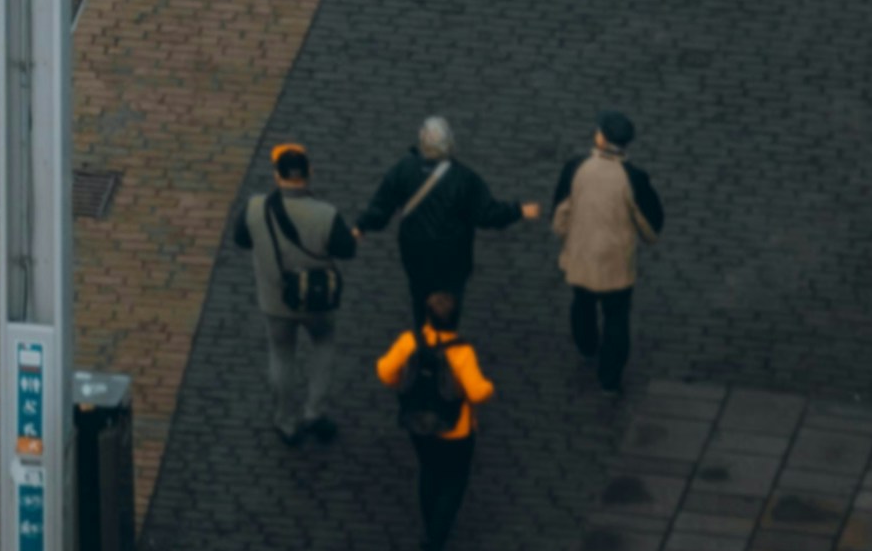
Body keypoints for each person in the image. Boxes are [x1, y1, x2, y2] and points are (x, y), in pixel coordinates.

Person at [230, 136, 358, 445]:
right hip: (318, 302)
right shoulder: (326, 213)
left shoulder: (255, 208)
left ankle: (285, 421)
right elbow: (347, 249)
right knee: (324, 345)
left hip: (276, 302)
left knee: (281, 354)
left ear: (277, 175)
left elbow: (241, 241)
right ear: (308, 173)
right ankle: (314, 411)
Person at [357, 114, 538, 306]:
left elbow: (381, 206)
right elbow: (487, 214)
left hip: (415, 256)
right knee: (448, 305)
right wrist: (519, 210)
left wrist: (361, 226)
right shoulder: (464, 179)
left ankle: (422, 331)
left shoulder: (403, 169)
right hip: (453, 260)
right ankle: (446, 330)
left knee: (420, 300)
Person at [550, 109, 665, 395]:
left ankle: (587, 346)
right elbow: (651, 226)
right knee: (617, 318)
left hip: (582, 258)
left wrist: (570, 237)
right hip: (617, 265)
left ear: (601, 138)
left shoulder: (576, 167)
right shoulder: (633, 177)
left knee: (582, 303)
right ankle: (610, 379)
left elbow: (559, 217)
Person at [379, 286, 493, 551]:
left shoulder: (410, 342)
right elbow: (478, 392)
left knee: (429, 473)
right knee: (453, 483)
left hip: (419, 426)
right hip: (456, 431)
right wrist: (489, 386)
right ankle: (436, 539)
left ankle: (428, 526)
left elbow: (384, 370)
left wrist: (401, 386)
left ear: (427, 318)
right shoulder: (462, 352)